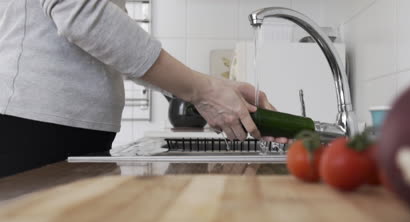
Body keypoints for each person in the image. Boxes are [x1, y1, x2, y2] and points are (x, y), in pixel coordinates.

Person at [0, 0, 286, 177]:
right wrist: (203, 90)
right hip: (34, 128)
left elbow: (110, 43)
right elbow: (80, 10)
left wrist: (209, 89)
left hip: (66, 131)